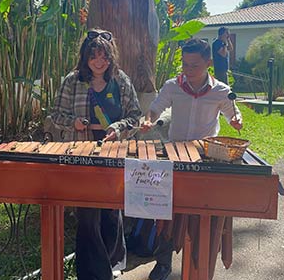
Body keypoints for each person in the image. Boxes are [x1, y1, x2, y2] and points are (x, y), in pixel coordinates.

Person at [142, 38, 242, 280]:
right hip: (175, 154)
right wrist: (148, 119)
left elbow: (233, 114)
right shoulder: (172, 86)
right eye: (185, 65)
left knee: (202, 214)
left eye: (194, 66)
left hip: (205, 158)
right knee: (166, 212)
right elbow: (155, 108)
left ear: (208, 62)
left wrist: (237, 121)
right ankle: (163, 263)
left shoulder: (221, 91)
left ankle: (198, 262)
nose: (188, 71)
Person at [51, 28, 142, 280]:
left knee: (112, 213)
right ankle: (93, 274)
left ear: (111, 57)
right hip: (82, 156)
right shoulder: (72, 81)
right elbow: (55, 115)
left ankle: (112, 263)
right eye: (94, 57)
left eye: (104, 57)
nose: (99, 62)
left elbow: (135, 116)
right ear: (85, 57)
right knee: (88, 215)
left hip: (114, 154)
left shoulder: (121, 80)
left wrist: (118, 127)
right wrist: (74, 123)